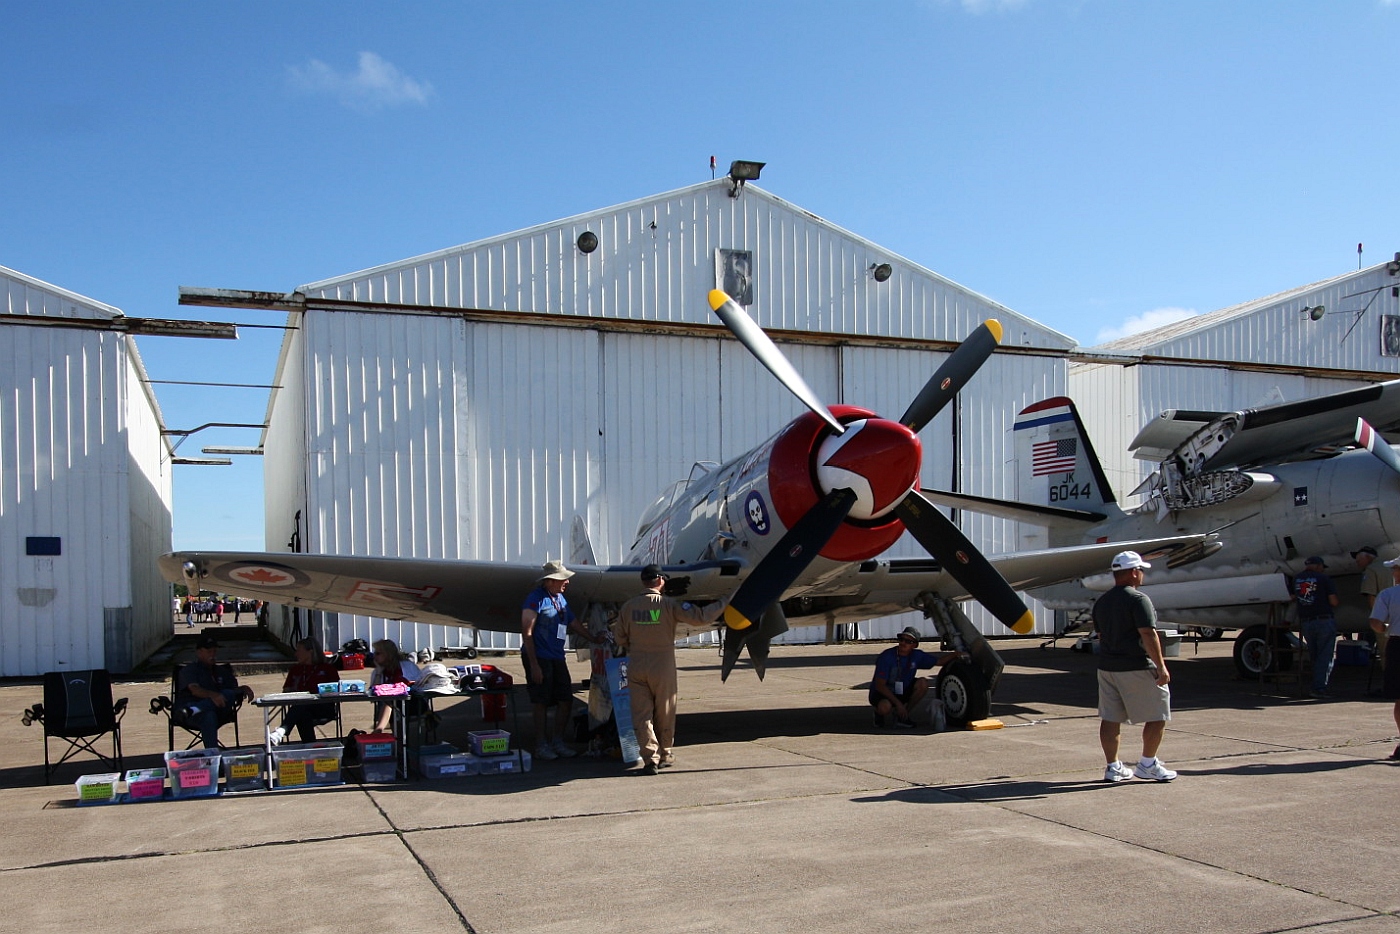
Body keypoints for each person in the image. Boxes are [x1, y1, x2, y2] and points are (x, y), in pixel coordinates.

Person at [613, 565, 727, 775]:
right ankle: (665, 752)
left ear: (643, 582)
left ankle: (650, 759)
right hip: (662, 664)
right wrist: (725, 602)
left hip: (636, 663)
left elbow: (619, 638)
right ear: (660, 581)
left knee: (641, 715)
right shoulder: (668, 605)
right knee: (665, 710)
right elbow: (700, 617)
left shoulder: (628, 607)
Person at [1094, 551, 1176, 782]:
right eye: (1141, 570)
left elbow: (1101, 635)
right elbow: (1148, 633)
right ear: (1133, 572)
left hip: (1107, 667)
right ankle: (1148, 763)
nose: (1142, 575)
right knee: (1158, 714)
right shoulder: (1138, 600)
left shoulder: (1102, 601)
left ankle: (1113, 766)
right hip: (1136, 666)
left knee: (1110, 718)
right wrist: (1161, 667)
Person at [521, 560, 599, 761]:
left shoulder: (560, 600)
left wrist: (593, 639)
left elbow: (573, 623)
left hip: (556, 656)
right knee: (541, 701)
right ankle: (541, 744)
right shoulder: (535, 599)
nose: (567, 582)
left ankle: (557, 741)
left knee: (565, 699)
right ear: (550, 581)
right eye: (563, 579)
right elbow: (527, 633)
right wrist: (534, 665)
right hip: (539, 657)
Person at [175, 635, 255, 749]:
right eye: (209, 651)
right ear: (199, 652)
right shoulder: (190, 670)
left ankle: (193, 709)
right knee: (209, 716)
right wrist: (214, 695)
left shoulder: (222, 671)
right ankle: (213, 755)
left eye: (214, 651)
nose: (212, 654)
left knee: (228, 693)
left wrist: (243, 688)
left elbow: (232, 691)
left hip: (217, 710)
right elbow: (195, 690)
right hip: (193, 716)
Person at [869, 627, 947, 729]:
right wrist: (898, 704)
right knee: (885, 707)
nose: (903, 643)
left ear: (914, 645)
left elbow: (939, 662)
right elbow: (880, 685)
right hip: (883, 692)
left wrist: (957, 655)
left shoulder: (917, 655)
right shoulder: (886, 657)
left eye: (908, 641)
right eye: (901, 639)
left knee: (922, 683)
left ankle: (903, 716)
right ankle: (878, 713)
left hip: (902, 690)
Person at [268, 637, 340, 745]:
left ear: (310, 651)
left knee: (301, 707)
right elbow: (286, 690)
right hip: (301, 707)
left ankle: (281, 731)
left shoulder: (327, 669)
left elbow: (337, 689)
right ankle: (311, 746)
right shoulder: (295, 669)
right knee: (302, 712)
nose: (296, 654)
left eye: (299, 650)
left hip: (323, 707)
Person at [1292, 556, 1339, 698]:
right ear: (1318, 566)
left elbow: (1292, 597)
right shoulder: (1323, 578)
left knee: (1315, 655)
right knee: (1325, 656)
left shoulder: (1297, 579)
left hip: (1306, 621)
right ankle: (1318, 688)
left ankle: (1315, 684)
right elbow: (1334, 601)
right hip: (1323, 620)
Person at [1368, 556, 1400, 761]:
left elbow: (1375, 621)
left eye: (1394, 569)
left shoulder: (1388, 594)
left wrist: (1385, 628)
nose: (1392, 573)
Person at [369, 639, 422, 734]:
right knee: (390, 701)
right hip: (392, 706)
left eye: (378, 653)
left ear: (387, 654)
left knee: (391, 702)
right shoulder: (377, 672)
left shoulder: (407, 666)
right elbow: (373, 697)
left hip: (411, 701)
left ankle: (380, 729)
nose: (374, 657)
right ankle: (399, 742)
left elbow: (420, 685)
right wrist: (378, 672)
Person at [1355, 545, 1388, 666]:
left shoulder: (1371, 570)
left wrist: (1376, 619)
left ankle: (1391, 681)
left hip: (1386, 619)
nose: (1357, 564)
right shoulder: (1392, 567)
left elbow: (1371, 596)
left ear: (1368, 557)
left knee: (1387, 653)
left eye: (1359, 561)